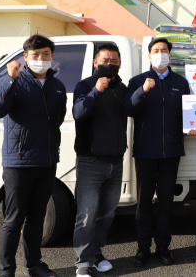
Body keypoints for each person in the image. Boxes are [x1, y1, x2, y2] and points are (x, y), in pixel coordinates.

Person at [0, 34, 67, 277]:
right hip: (19, 162)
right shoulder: (14, 80)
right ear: (25, 57)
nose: (40, 59)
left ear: (52, 57)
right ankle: (6, 271)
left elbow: (58, 118)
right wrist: (9, 79)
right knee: (13, 220)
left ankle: (34, 265)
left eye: (45, 55)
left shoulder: (58, 86)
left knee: (36, 217)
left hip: (47, 160)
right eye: (35, 55)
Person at [122, 38, 196, 267]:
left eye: (164, 50)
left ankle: (163, 247)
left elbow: (190, 111)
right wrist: (142, 91)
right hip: (145, 152)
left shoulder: (180, 82)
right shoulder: (137, 81)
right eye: (156, 50)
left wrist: (193, 125)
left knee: (166, 202)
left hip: (171, 152)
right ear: (149, 56)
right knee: (144, 203)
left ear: (170, 56)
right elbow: (127, 109)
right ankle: (143, 248)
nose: (160, 54)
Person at [71, 43, 127, 276]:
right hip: (91, 161)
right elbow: (79, 114)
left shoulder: (122, 88)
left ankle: (95, 253)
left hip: (116, 160)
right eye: (105, 59)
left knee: (107, 213)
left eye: (114, 61)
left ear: (119, 64)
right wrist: (96, 91)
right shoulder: (84, 86)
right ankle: (83, 263)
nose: (109, 64)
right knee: (86, 214)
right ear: (95, 62)